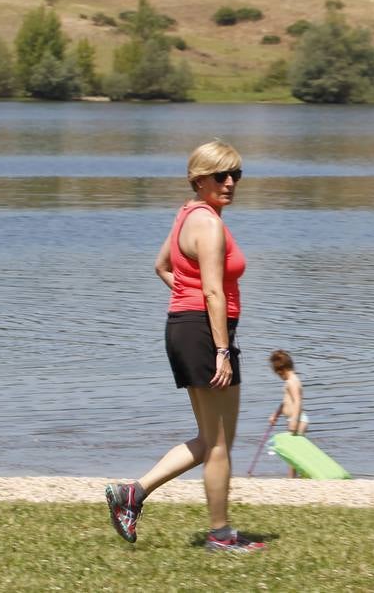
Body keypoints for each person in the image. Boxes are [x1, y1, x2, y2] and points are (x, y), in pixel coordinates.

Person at [103, 140, 265, 553]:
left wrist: (186, 302)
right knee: (215, 441)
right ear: (198, 179)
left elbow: (162, 265)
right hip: (204, 333)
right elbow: (212, 291)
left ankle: (133, 495)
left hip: (197, 328)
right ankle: (219, 534)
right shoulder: (207, 224)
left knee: (217, 439)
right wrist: (221, 349)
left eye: (236, 175)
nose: (230, 183)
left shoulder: (188, 215)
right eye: (220, 176)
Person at [268, 349, 307, 478]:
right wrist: (276, 414)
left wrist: (294, 420)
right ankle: (295, 477)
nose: (279, 377)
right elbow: (285, 401)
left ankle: (293, 478)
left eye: (278, 374)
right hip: (294, 419)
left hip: (298, 420)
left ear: (281, 370)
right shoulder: (290, 381)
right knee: (294, 451)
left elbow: (297, 401)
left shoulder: (292, 381)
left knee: (293, 453)